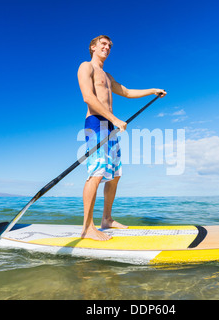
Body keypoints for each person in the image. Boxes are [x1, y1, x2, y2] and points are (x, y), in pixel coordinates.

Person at [77, 35, 166, 240]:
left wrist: (152, 90)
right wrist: (115, 119)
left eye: (109, 45)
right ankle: (87, 228)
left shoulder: (107, 76)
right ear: (93, 47)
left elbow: (125, 91)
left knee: (115, 175)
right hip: (96, 124)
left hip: (110, 126)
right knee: (97, 173)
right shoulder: (86, 67)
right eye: (103, 44)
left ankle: (106, 219)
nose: (107, 47)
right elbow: (88, 97)